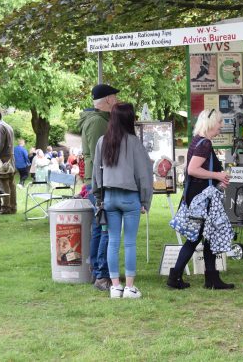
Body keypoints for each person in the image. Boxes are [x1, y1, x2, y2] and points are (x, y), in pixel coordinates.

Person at [167, 109, 234, 290]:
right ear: (211, 123)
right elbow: (193, 170)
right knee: (197, 237)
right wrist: (218, 175)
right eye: (220, 122)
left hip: (196, 195)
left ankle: (210, 279)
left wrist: (216, 178)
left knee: (205, 236)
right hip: (201, 199)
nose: (221, 126)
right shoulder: (205, 144)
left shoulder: (197, 140)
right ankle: (179, 277)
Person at [92, 103, 153, 299]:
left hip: (109, 197)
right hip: (130, 198)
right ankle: (129, 287)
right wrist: (145, 201)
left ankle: (115, 287)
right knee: (129, 243)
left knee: (112, 242)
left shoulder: (102, 142)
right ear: (130, 119)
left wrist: (100, 198)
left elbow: (96, 173)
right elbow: (144, 175)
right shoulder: (134, 142)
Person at [78, 83, 119, 291]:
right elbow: (99, 156)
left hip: (98, 181)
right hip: (100, 182)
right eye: (115, 97)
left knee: (99, 228)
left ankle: (97, 271)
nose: (118, 101)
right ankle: (102, 275)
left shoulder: (100, 120)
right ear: (109, 100)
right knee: (105, 229)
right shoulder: (97, 123)